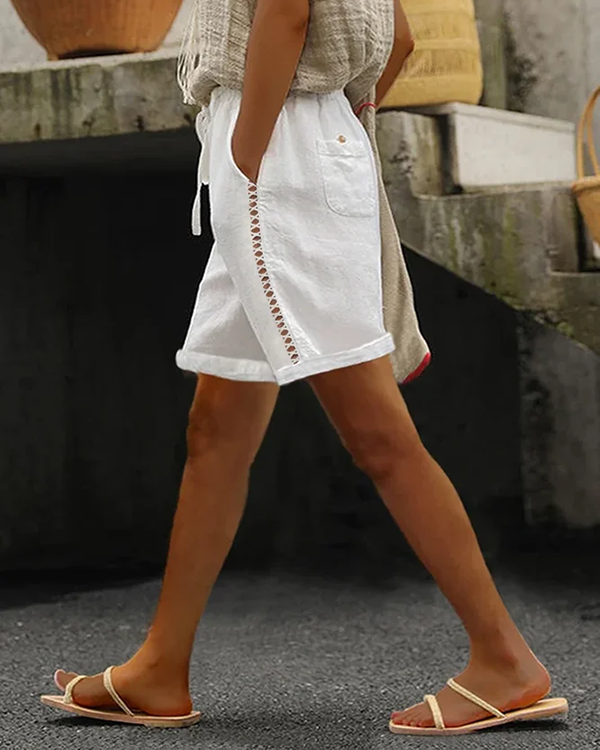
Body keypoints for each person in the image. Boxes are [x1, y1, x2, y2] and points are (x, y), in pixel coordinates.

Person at [41, 0, 568, 735]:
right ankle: (159, 669)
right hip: (295, 146)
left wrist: (247, 152)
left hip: (275, 159)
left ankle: (505, 659)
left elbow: (287, 11)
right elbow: (400, 36)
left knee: (378, 435)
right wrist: (318, 129)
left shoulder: (261, 145)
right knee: (217, 430)